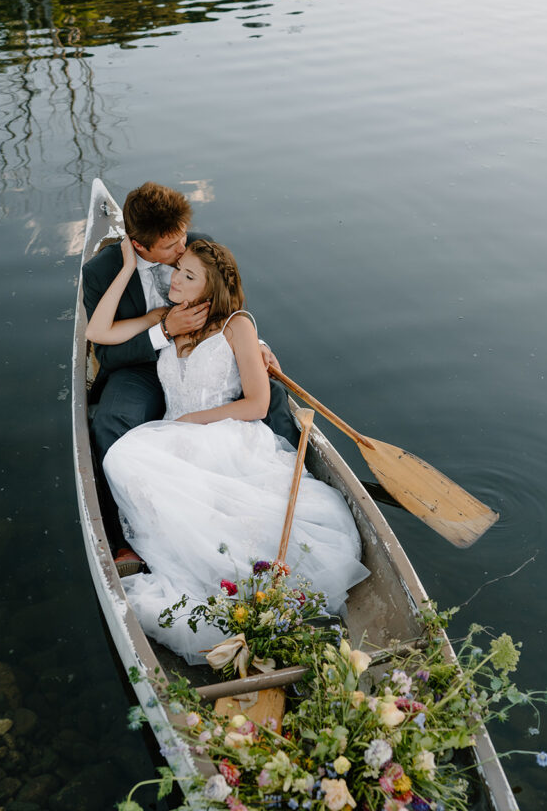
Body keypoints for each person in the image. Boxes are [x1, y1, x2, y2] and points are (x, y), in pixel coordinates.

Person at [87, 237, 369, 664]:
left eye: (186, 274)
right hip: (179, 433)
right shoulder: (169, 316)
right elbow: (98, 333)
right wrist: (127, 268)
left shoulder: (238, 325)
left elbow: (256, 404)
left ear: (211, 288)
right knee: (123, 456)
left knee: (134, 457)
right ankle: (181, 554)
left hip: (225, 434)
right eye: (175, 269)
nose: (173, 279)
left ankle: (235, 572)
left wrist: (190, 422)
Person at [82, 181, 299, 572]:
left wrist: (253, 344)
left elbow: (225, 305)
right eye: (170, 248)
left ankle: (287, 487)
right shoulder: (101, 272)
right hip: (140, 364)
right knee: (112, 422)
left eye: (183, 238)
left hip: (202, 353)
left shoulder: (195, 247)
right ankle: (123, 540)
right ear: (139, 244)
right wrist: (165, 332)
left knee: (274, 396)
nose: (182, 251)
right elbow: (105, 353)